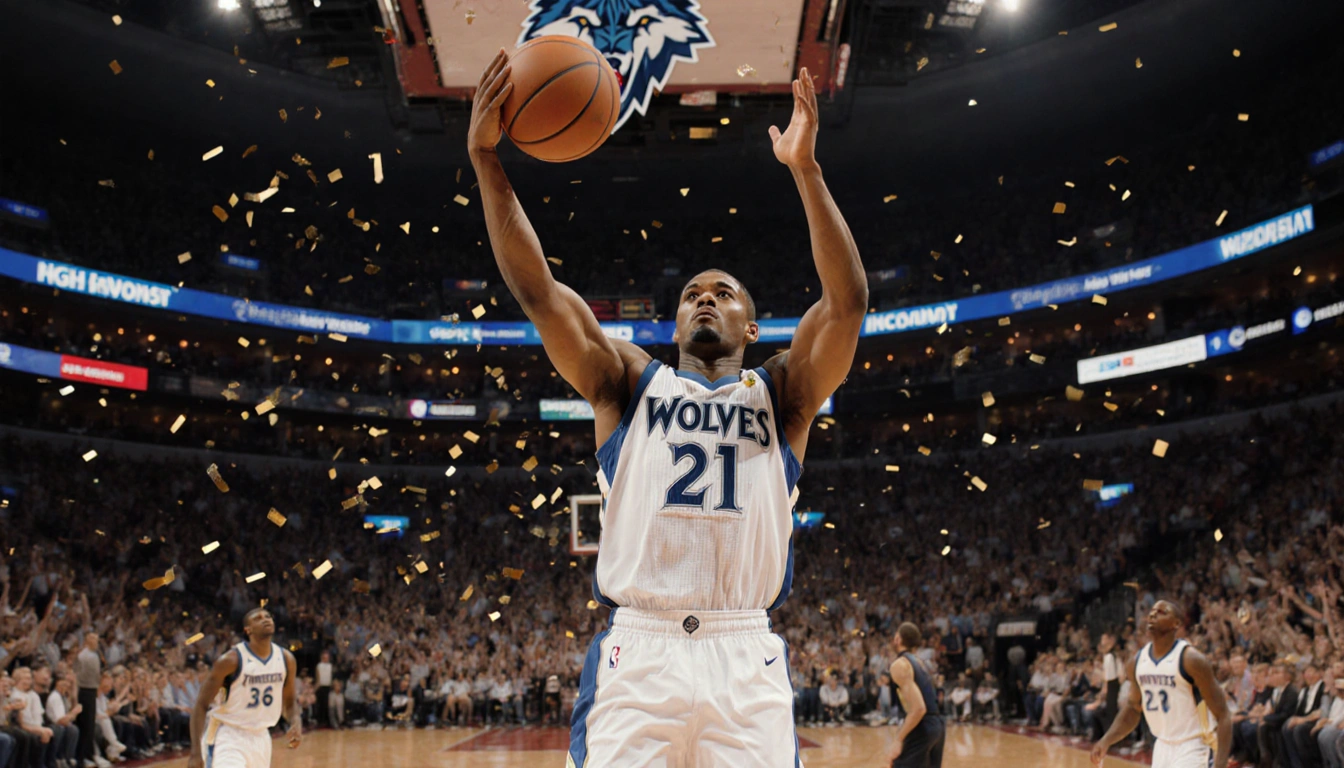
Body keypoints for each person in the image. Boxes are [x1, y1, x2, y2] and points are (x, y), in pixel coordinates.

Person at [468, 44, 866, 767]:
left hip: (745, 655)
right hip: (639, 656)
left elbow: (848, 305)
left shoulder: (785, 392)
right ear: (674, 325)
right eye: (691, 295)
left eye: (723, 292)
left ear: (752, 326)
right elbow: (539, 293)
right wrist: (487, 163)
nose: (704, 297)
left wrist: (805, 172)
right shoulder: (627, 381)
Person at [1090, 600, 1232, 768]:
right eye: (1152, 611)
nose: (1153, 614)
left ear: (1176, 623)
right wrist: (1106, 740)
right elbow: (1134, 708)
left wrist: (1220, 764)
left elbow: (1223, 714)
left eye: (1162, 612)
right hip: (1161, 746)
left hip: (1194, 746)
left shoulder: (1191, 660)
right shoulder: (1136, 662)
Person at [186, 608, 301, 768]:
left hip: (261, 736)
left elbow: (289, 702)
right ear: (248, 630)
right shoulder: (230, 660)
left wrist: (295, 720)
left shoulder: (286, 659)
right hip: (228, 735)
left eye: (268, 616)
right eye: (258, 618)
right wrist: (195, 753)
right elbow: (201, 705)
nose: (265, 619)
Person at [886, 623, 946, 767]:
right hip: (938, 725)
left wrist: (898, 740)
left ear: (898, 639)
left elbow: (919, 708)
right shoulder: (921, 663)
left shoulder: (900, 665)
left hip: (922, 727)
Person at [74, 634, 99, 768]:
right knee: (85, 724)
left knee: (90, 724)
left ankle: (88, 755)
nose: (96, 642)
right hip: (85, 690)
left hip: (91, 689)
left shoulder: (93, 655)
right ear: (87, 641)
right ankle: (82, 757)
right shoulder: (84, 656)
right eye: (93, 639)